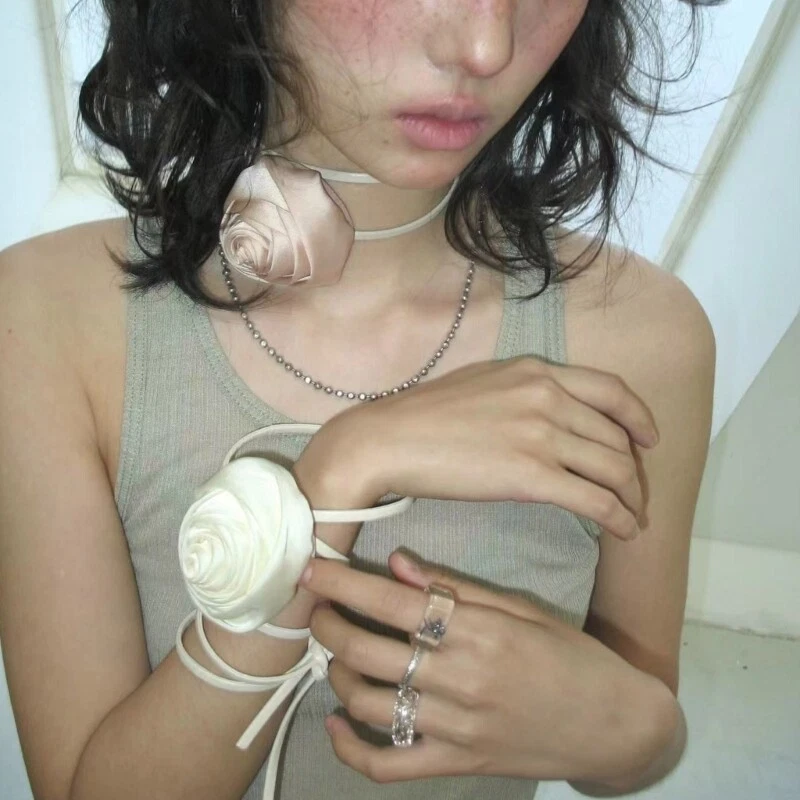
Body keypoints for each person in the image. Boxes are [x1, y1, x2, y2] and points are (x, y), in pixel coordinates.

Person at [0, 1, 716, 799]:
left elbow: (635, 731)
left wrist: (637, 730)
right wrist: (339, 474)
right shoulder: (44, 320)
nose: (487, 47)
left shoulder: (644, 341)